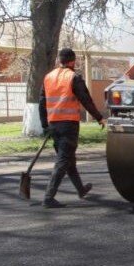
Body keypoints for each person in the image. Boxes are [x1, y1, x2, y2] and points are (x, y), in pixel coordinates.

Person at [38, 48, 107, 208]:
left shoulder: (48, 77)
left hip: (54, 125)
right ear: (72, 61)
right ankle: (48, 197)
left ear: (59, 60)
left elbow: (42, 103)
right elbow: (86, 100)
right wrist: (99, 118)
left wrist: (45, 125)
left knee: (69, 160)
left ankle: (81, 189)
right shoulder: (73, 77)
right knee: (63, 160)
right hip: (68, 125)